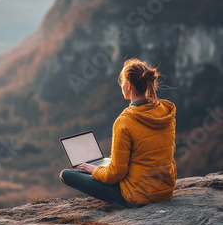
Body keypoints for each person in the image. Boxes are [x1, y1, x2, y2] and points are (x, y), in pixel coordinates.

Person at [59, 58, 177, 209]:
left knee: (67, 175)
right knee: (108, 165)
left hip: (138, 196)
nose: (121, 86)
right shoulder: (165, 111)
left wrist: (95, 170)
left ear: (128, 85)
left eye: (121, 82)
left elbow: (115, 174)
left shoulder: (125, 121)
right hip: (165, 191)